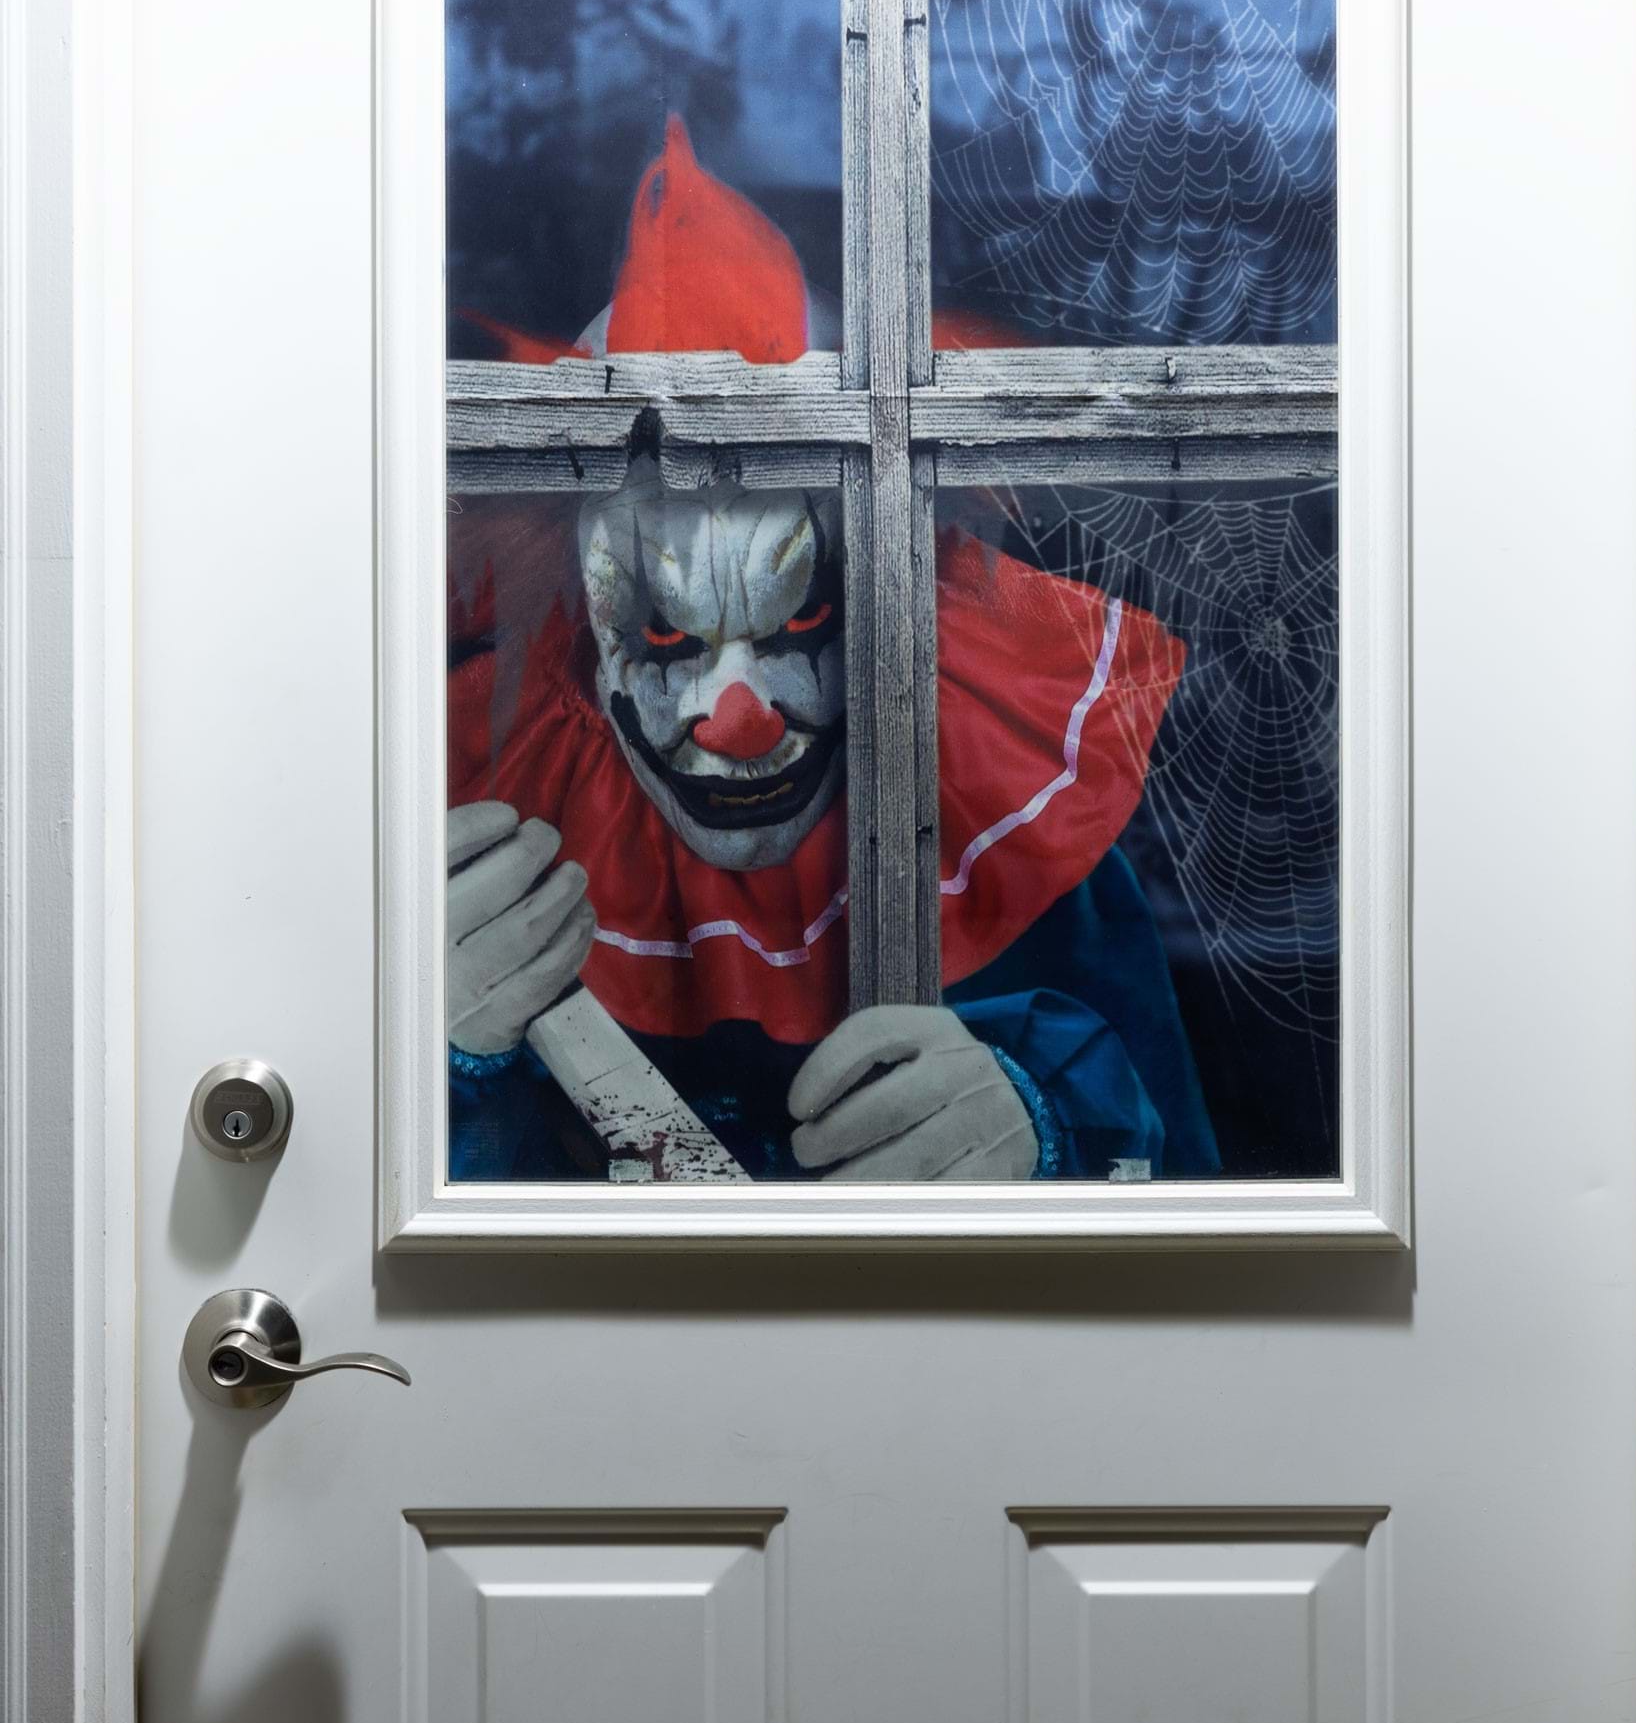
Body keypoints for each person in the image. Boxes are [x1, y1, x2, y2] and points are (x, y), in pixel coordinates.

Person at [447, 118, 1219, 1185]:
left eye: (799, 624)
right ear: (584, 620)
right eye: (666, 634)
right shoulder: (471, 829)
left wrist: (1047, 1132)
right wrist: (447, 1065)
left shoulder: (1010, 845)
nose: (739, 717)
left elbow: (1190, 1196)